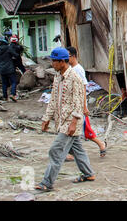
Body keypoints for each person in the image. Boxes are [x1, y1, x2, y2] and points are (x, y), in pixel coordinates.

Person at [35, 47, 95, 192]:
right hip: (61, 120)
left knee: (56, 150)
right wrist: (46, 119)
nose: (52, 64)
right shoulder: (57, 77)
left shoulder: (75, 78)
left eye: (54, 61)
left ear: (62, 61)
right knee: (77, 150)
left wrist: (74, 123)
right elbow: (54, 99)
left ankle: (47, 183)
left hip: (70, 122)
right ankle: (88, 174)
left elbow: (79, 102)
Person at [65, 46, 107, 161]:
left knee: (86, 130)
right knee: (70, 130)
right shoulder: (70, 69)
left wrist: (84, 106)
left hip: (79, 106)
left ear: (73, 56)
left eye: (67, 56)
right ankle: (71, 153)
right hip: (72, 105)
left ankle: (101, 144)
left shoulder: (78, 69)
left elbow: (84, 87)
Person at [0, 36, 19, 102]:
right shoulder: (8, 48)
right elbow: (16, 55)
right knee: (14, 82)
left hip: (1, 68)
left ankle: (5, 96)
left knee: (4, 83)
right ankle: (12, 94)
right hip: (9, 67)